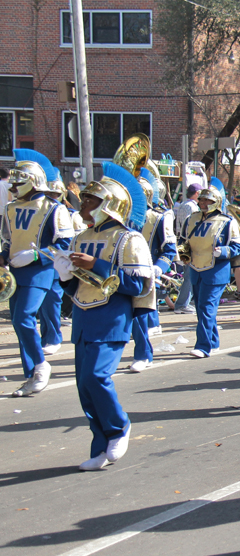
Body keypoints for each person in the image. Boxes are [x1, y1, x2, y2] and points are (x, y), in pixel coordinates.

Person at [54, 162, 154, 470]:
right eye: (84, 199)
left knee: (96, 377)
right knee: (84, 386)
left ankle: (119, 427)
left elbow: (138, 284)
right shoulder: (80, 237)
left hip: (111, 317)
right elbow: (74, 287)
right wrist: (64, 275)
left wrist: (94, 264)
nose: (83, 204)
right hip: (84, 316)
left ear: (109, 204)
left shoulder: (129, 239)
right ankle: (99, 447)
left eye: (90, 200)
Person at [2, 150, 74, 397]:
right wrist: (3, 258)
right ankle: (31, 373)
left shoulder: (54, 208)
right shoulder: (11, 208)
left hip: (40, 271)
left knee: (23, 317)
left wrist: (34, 255)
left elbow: (65, 244)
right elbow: (7, 240)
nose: (13, 187)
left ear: (32, 182)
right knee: (17, 320)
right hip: (14, 272)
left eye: (18, 182)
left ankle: (41, 366)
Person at [184, 182, 240, 358]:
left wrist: (223, 251)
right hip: (196, 268)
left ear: (216, 202)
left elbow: (236, 247)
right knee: (202, 308)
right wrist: (183, 255)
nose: (203, 203)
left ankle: (203, 346)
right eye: (201, 200)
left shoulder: (227, 222)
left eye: (207, 201)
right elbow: (184, 240)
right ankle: (213, 341)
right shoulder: (192, 219)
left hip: (216, 270)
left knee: (206, 308)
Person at [129, 167, 177, 372]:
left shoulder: (159, 217)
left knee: (138, 315)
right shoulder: (118, 217)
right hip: (120, 272)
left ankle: (142, 354)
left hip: (145, 275)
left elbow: (169, 249)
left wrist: (158, 268)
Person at [37, 170, 69, 357]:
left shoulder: (62, 211)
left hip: (53, 263)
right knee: (39, 307)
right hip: (35, 264)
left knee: (51, 302)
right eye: (49, 194)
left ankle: (53, 337)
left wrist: (39, 255)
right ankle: (45, 337)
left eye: (56, 195)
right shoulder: (38, 210)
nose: (53, 197)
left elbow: (64, 242)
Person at [174, 183, 201, 314]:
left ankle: (183, 302)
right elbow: (191, 225)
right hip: (188, 242)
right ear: (196, 193)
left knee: (188, 273)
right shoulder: (192, 207)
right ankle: (182, 304)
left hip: (181, 241)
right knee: (190, 274)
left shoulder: (183, 205)